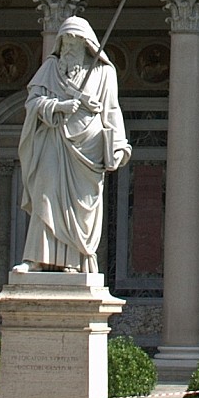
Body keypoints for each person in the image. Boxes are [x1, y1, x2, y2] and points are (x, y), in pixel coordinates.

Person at [17, 17, 131, 273]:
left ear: (86, 44)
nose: (68, 48)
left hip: (88, 148)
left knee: (80, 206)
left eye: (74, 43)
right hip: (54, 139)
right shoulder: (50, 68)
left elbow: (112, 110)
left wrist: (119, 144)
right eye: (65, 42)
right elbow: (32, 103)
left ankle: (74, 262)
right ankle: (35, 258)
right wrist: (59, 106)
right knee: (45, 195)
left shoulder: (103, 73)